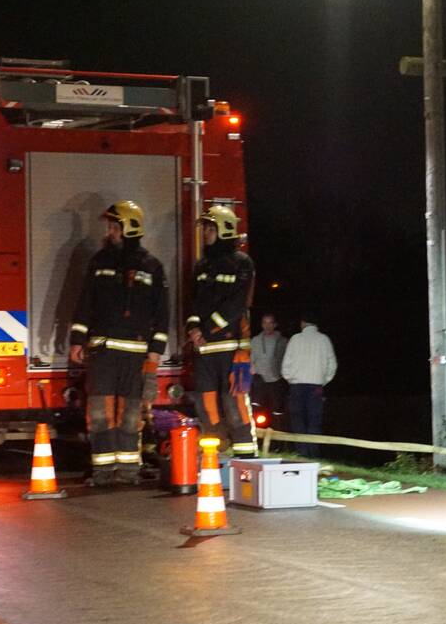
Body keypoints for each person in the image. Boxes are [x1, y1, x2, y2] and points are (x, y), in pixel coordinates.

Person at [69, 200, 169, 486]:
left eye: (115, 227)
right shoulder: (99, 261)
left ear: (130, 228)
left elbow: (162, 315)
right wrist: (77, 340)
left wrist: (155, 354)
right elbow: (84, 303)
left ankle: (127, 471)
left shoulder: (152, 267)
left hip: (136, 357)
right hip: (102, 353)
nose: (110, 232)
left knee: (131, 416)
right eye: (110, 227)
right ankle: (102, 470)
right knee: (99, 414)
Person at [185, 205, 257, 458]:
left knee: (233, 403)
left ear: (224, 230)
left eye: (209, 227)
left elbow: (237, 304)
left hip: (233, 349)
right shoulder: (202, 265)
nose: (204, 232)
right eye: (204, 227)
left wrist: (206, 329)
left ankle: (246, 456)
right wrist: (193, 328)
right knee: (206, 406)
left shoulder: (242, 263)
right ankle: (215, 459)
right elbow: (192, 302)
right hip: (203, 349)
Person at [281, 312, 337, 458]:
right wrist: (324, 380)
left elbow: (286, 363)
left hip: (297, 385)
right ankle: (313, 453)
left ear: (303, 323)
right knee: (314, 419)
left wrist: (290, 378)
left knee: (297, 419)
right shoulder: (324, 339)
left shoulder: (295, 339)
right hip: (316, 386)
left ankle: (302, 452)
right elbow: (332, 363)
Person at [250, 313, 288, 420]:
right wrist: (251, 368)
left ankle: (277, 433)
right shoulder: (255, 340)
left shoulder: (282, 341)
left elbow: (287, 359)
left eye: (270, 323)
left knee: (277, 413)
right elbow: (251, 358)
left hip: (276, 381)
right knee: (257, 413)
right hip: (259, 382)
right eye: (265, 323)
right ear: (262, 324)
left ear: (275, 324)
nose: (267, 326)